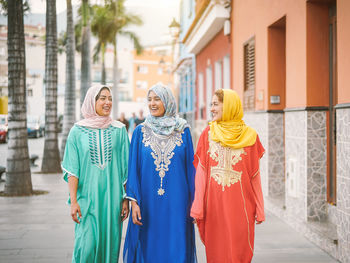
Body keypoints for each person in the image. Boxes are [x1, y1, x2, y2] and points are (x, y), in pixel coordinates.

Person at [123, 83, 197, 263]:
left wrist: (195, 204)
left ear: (168, 101)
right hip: (148, 205)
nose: (152, 103)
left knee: (176, 247)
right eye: (149, 99)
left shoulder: (183, 130)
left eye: (157, 99)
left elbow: (190, 169)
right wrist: (134, 202)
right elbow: (133, 169)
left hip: (178, 206)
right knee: (149, 249)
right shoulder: (140, 131)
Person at [191, 89, 265, 263]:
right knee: (216, 253)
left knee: (239, 252)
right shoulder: (207, 134)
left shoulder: (251, 137)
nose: (211, 109)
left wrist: (260, 208)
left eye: (216, 104)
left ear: (230, 106)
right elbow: (201, 174)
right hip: (214, 207)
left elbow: (254, 176)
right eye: (211, 104)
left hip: (241, 208)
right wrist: (198, 206)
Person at [61, 85, 130, 263]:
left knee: (110, 246)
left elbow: (125, 168)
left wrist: (125, 199)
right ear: (92, 101)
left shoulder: (119, 130)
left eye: (110, 98)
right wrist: (73, 201)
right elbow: (72, 170)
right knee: (86, 247)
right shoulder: (77, 131)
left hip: (112, 200)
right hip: (86, 201)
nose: (107, 102)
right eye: (102, 98)